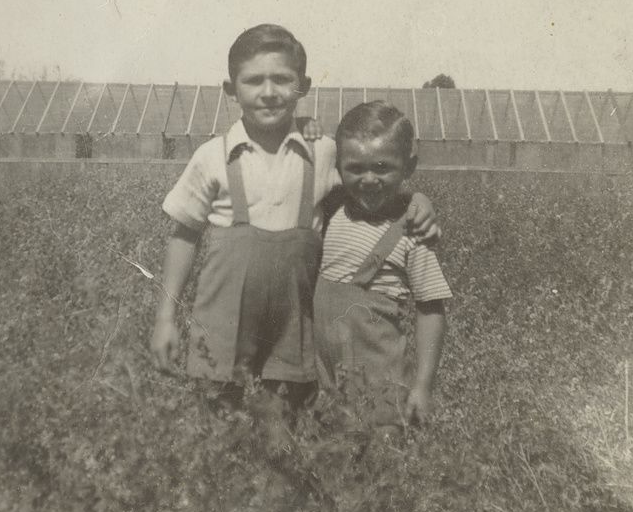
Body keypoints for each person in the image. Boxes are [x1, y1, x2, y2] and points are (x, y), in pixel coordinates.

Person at [150, 24, 439, 434]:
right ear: (230, 89)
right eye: (253, 80)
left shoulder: (322, 151)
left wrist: (416, 201)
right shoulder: (212, 157)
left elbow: (371, 181)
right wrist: (166, 317)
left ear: (302, 85)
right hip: (222, 320)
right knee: (218, 427)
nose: (268, 91)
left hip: (292, 324)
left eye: (282, 79)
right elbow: (183, 235)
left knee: (281, 428)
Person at [314, 101, 452, 432]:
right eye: (356, 168)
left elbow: (431, 308)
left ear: (409, 166)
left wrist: (423, 385)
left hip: (381, 386)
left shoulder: (413, 230)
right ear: (338, 168)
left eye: (382, 167)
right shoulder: (329, 212)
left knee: (381, 462)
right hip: (321, 379)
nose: (369, 179)